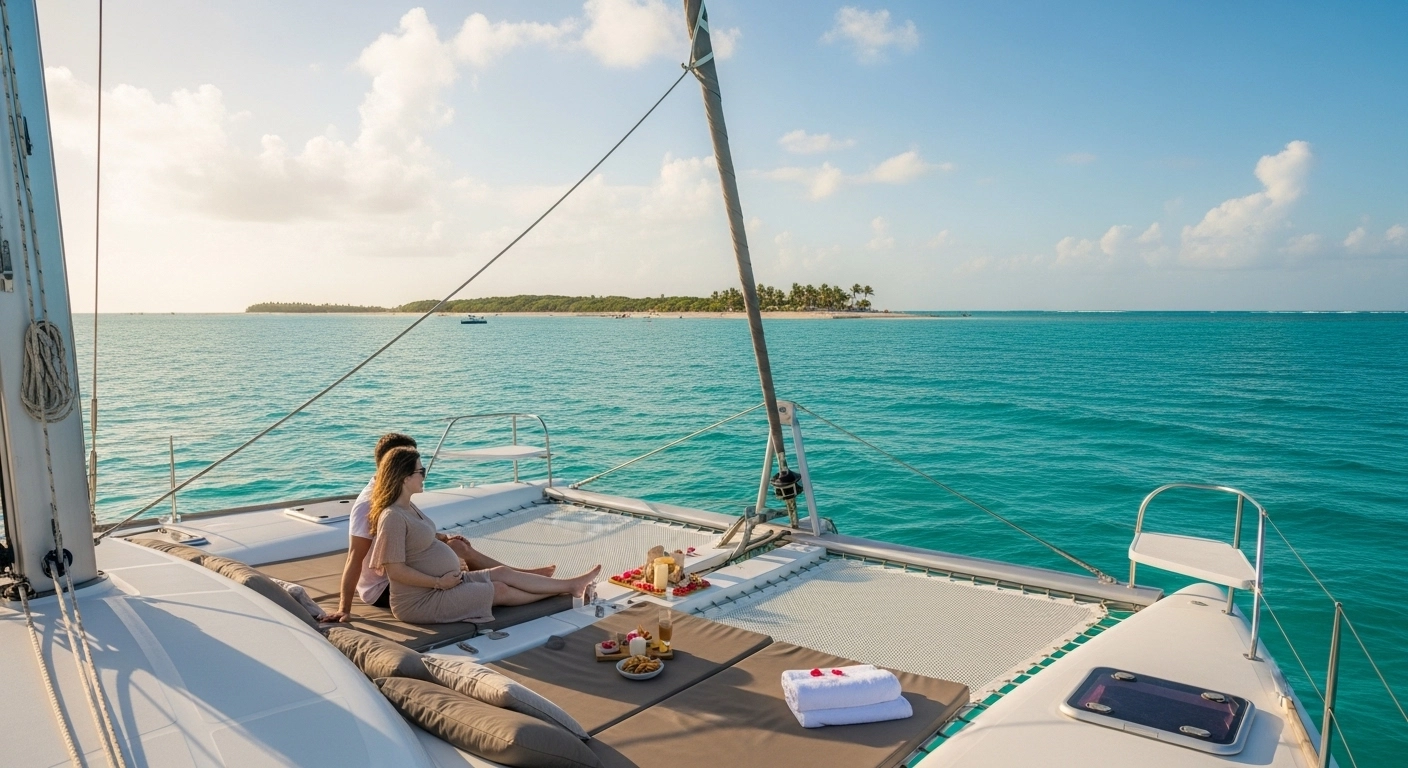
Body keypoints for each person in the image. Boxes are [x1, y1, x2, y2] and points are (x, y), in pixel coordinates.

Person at [323, 433, 555, 623]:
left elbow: (409, 529)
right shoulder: (368, 504)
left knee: (457, 546)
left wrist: (443, 538)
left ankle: (519, 575)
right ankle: (509, 582)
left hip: (410, 563)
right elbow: (356, 556)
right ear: (394, 465)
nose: (419, 467)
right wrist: (344, 608)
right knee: (492, 584)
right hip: (386, 586)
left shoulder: (393, 492)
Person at [367, 446, 600, 624]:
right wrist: (437, 582)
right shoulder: (392, 516)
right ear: (405, 477)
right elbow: (395, 571)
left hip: (447, 583)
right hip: (421, 600)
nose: (424, 476)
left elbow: (418, 537)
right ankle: (565, 589)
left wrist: (443, 539)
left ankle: (571, 584)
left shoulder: (409, 507)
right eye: (421, 471)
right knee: (499, 589)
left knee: (502, 573)